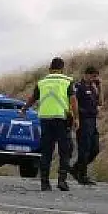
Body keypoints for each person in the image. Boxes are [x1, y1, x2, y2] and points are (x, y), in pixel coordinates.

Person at [25, 57, 79, 192]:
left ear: (50, 68)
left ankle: (45, 182)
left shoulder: (42, 82)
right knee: (64, 151)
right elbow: (73, 101)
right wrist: (76, 118)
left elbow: (33, 98)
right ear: (62, 69)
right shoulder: (67, 81)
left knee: (46, 152)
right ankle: (62, 180)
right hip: (61, 119)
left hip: (45, 119)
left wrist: (24, 108)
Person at [71, 66, 102, 185]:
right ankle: (82, 175)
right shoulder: (79, 87)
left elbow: (100, 102)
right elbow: (73, 102)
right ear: (87, 75)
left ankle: (75, 168)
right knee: (84, 149)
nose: (95, 79)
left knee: (95, 148)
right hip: (84, 121)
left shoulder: (93, 88)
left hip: (93, 121)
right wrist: (77, 117)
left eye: (96, 76)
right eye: (94, 76)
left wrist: (99, 86)